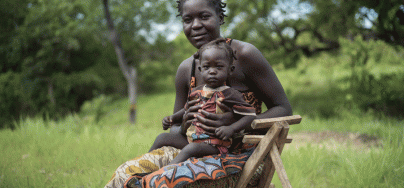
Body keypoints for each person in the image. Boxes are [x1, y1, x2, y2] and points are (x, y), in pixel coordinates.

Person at [105, 0, 292, 187]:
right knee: (124, 174)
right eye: (188, 19)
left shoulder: (244, 55)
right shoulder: (186, 69)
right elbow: (176, 130)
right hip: (193, 148)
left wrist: (237, 125)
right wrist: (184, 121)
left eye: (204, 16)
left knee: (164, 180)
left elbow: (283, 108)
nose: (195, 25)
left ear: (219, 18)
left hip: (240, 156)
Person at [149, 38, 256, 165]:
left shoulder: (230, 94)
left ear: (230, 70)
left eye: (219, 67)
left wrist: (231, 129)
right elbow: (187, 109)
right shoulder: (197, 91)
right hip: (193, 139)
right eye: (207, 67)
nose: (212, 71)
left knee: (191, 149)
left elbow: (250, 116)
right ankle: (145, 164)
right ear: (200, 70)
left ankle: (163, 173)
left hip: (215, 145)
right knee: (162, 138)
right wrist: (172, 118)